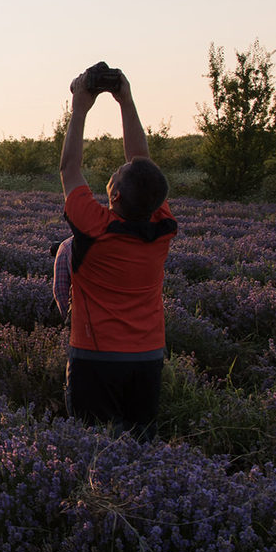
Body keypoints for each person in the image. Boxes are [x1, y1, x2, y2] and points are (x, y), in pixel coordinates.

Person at [58, 63, 177, 439]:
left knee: (91, 444)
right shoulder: (162, 227)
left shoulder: (96, 228)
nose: (115, 173)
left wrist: (79, 108)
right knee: (140, 442)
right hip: (147, 356)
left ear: (115, 195)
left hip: (96, 357)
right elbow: (142, 164)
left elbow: (69, 168)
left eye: (115, 177)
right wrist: (126, 101)